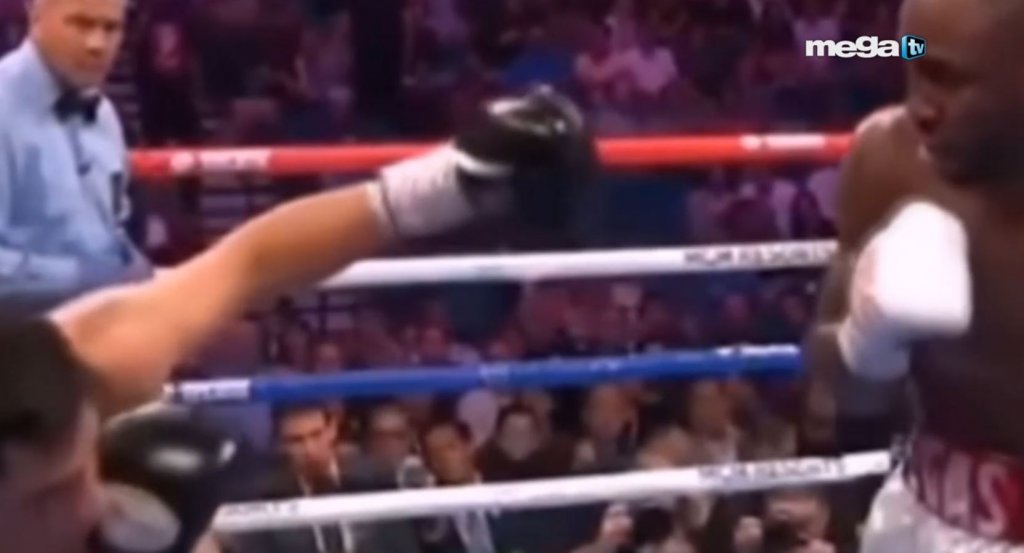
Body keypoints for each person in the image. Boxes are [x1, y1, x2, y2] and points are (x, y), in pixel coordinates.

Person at [0, 83, 596, 553]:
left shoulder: (96, 357)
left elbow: (248, 263)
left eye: (81, 467)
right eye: (49, 494)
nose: (88, 501)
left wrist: (453, 183)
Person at [803, 0, 1024, 550]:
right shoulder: (891, 161)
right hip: (919, 513)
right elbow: (836, 406)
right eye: (910, 67)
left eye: (948, 80)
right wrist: (864, 347)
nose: (919, 107)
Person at [0, 0, 151, 316]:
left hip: (96, 333)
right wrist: (91, 278)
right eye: (81, 24)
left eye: (111, 28)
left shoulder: (104, 115)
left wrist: (141, 272)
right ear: (36, 16)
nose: (97, 44)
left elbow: (112, 233)